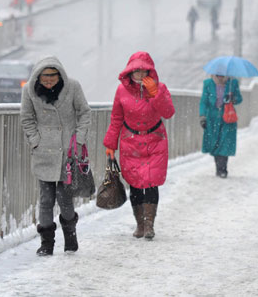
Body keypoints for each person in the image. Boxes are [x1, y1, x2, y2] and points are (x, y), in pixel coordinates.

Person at [20, 56, 91, 256]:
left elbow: (85, 112)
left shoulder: (73, 87)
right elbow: (26, 118)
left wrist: (79, 139)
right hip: (43, 152)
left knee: (65, 198)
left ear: (60, 75)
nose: (49, 81)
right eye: (45, 77)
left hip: (68, 152)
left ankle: (70, 238)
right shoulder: (29, 91)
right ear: (38, 77)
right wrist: (35, 140)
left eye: (53, 76)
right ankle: (46, 244)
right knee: (45, 199)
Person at [103, 51, 175, 240]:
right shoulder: (121, 91)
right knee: (135, 183)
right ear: (129, 72)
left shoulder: (160, 88)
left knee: (151, 182)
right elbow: (116, 118)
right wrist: (110, 144)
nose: (140, 75)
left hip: (155, 141)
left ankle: (150, 224)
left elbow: (168, 112)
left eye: (144, 71)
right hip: (131, 142)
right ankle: (140, 224)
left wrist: (155, 94)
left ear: (150, 72)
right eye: (136, 71)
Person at [199, 74, 243, 178]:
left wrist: (233, 98)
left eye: (222, 75)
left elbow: (239, 99)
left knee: (225, 143)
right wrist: (202, 116)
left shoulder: (233, 83)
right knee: (215, 143)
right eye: (218, 75)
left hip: (227, 117)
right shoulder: (208, 83)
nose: (220, 78)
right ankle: (219, 168)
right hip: (212, 118)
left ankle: (223, 169)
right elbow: (204, 102)